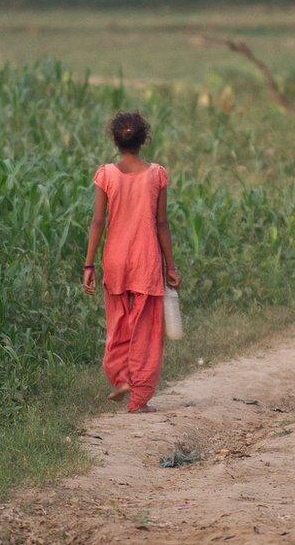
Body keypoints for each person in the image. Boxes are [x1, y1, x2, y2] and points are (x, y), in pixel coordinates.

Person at [82, 111, 181, 413]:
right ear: (144, 139)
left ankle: (121, 377)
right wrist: (171, 266)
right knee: (146, 331)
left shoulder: (106, 175)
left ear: (114, 138)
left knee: (119, 323)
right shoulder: (157, 175)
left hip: (115, 260)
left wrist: (88, 265)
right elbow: (161, 224)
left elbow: (98, 222)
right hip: (146, 260)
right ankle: (139, 397)